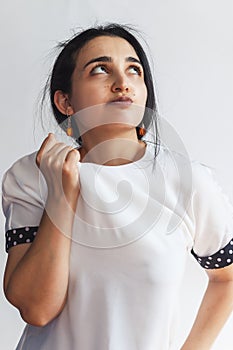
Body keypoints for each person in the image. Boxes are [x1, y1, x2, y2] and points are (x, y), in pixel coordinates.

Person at [2, 23, 233, 350]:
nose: (123, 83)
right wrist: (62, 195)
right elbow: (36, 309)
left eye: (134, 70)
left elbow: (227, 277)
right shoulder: (31, 175)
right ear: (65, 102)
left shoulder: (188, 181)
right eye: (100, 69)